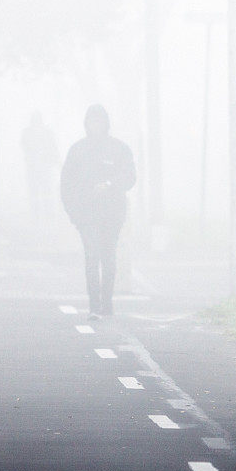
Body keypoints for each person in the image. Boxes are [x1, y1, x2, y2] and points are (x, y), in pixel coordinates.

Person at [60, 104, 136, 320]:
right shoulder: (77, 151)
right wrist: (73, 212)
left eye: (99, 121)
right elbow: (66, 184)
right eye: (91, 121)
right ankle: (94, 306)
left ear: (106, 123)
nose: (95, 126)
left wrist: (111, 184)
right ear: (86, 124)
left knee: (108, 257)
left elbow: (130, 176)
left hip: (112, 214)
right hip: (86, 215)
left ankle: (106, 303)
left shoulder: (119, 149)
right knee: (92, 256)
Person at [21, 111, 59, 226]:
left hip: (43, 167)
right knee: (35, 192)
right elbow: (25, 146)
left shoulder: (46, 133)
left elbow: (53, 147)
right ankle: (37, 213)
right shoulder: (28, 133)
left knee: (45, 191)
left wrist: (52, 159)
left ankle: (47, 213)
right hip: (34, 167)